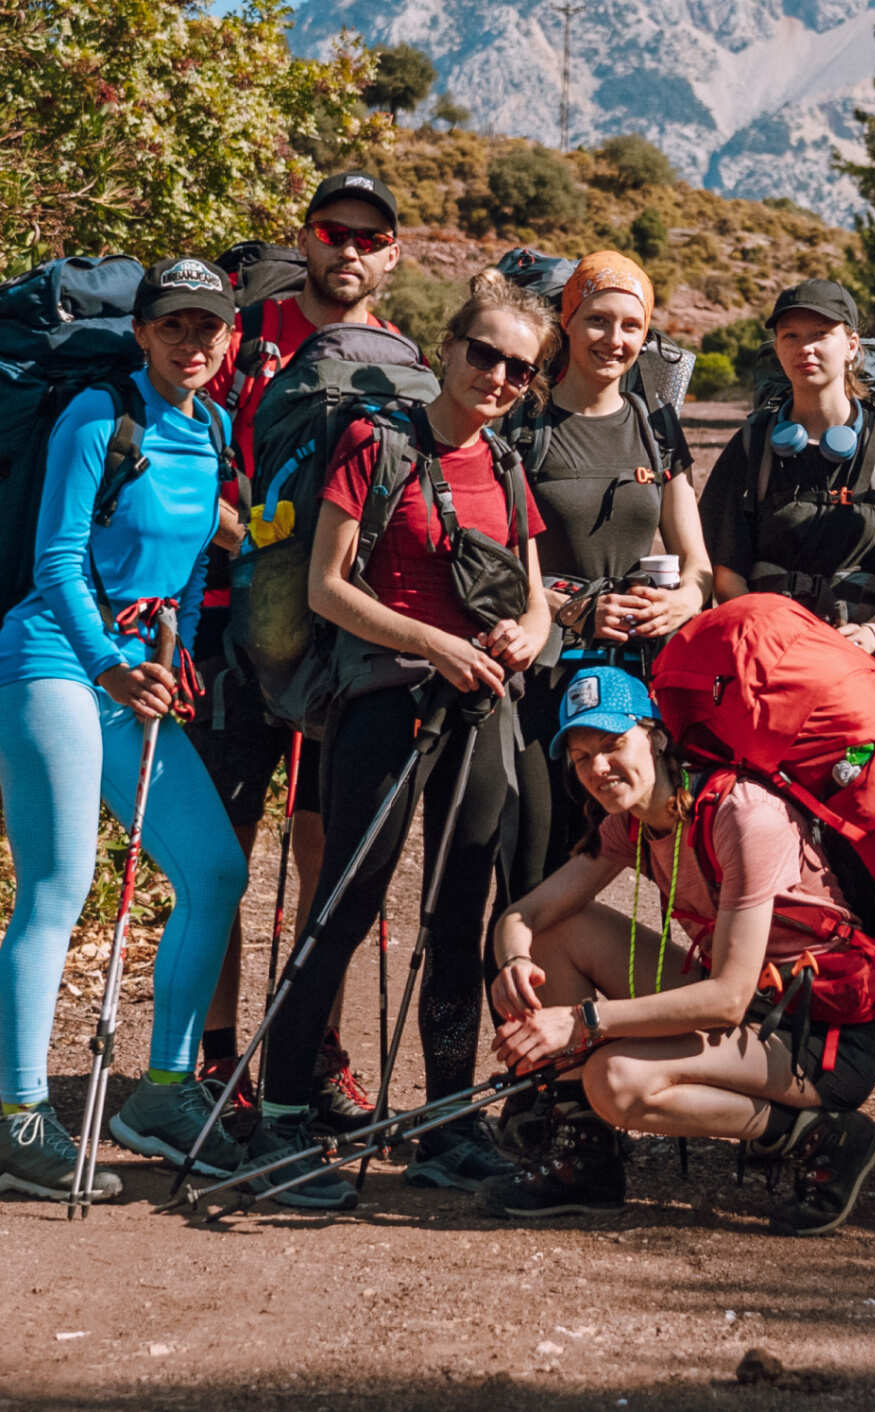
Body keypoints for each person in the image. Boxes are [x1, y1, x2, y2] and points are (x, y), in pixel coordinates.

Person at [242, 273, 553, 1210]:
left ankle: (447, 1123)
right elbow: (328, 589)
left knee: (460, 918)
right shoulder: (376, 445)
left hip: (476, 708)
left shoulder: (503, 464)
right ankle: (286, 1120)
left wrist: (526, 635)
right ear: (447, 351)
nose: (497, 376)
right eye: (484, 354)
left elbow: (533, 593)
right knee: (345, 905)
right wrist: (436, 644)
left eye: (518, 369)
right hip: (384, 701)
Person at [0, 258, 251, 1198]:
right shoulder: (99, 416)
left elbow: (183, 569)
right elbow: (55, 559)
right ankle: (18, 1116)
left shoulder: (213, 427)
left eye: (210, 329)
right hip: (52, 661)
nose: (194, 343)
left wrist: (169, 642)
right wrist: (108, 659)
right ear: (142, 332)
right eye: (176, 327)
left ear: (228, 341)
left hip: (131, 672)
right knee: (57, 888)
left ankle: (163, 1095)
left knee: (216, 870)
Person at [480, 666, 875, 1236]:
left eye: (613, 744)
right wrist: (516, 961)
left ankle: (819, 1135)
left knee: (616, 1079)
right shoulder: (631, 825)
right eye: (580, 756)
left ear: (657, 736)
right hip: (751, 1007)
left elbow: (725, 999)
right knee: (555, 936)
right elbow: (525, 915)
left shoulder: (742, 814)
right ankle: (586, 1158)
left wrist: (582, 1023)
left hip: (818, 1032)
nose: (598, 768)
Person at [190, 170, 405, 1132]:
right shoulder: (241, 335)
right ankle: (216, 1056)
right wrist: (237, 528)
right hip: (234, 629)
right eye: (334, 231)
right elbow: (189, 443)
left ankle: (306, 1046)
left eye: (368, 237)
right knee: (223, 858)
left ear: (392, 254)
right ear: (307, 238)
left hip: (345, 641)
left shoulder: (398, 359)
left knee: (330, 854)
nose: (349, 250)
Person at [507, 250, 712, 901]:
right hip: (543, 676)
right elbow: (489, 566)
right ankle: (526, 1001)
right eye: (597, 320)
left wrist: (682, 601)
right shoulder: (521, 426)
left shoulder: (657, 426)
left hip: (637, 679)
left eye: (632, 325)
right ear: (566, 321)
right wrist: (570, 607)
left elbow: (698, 563)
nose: (615, 340)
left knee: (673, 872)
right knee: (540, 866)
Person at [699, 279, 875, 677]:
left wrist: (872, 634)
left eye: (820, 334)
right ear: (777, 348)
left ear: (851, 346)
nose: (804, 348)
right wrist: (763, 636)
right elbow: (726, 571)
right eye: (790, 336)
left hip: (865, 665)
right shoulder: (751, 445)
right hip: (768, 662)